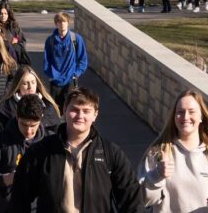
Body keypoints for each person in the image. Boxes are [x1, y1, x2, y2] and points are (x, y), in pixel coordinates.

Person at [8, 87, 143, 213]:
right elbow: (19, 198)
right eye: (74, 109)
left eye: (86, 111)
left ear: (95, 115)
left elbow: (132, 199)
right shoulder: (41, 152)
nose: (80, 115)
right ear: (64, 110)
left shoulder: (111, 153)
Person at [139, 91, 208, 213]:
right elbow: (141, 200)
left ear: (201, 117)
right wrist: (156, 175)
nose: (185, 117)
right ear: (174, 117)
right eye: (180, 112)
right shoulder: (158, 153)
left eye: (191, 112)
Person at [0, 94, 47, 213]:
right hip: (6, 207)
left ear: (41, 118)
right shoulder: (0, 140)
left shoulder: (48, 142)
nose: (28, 131)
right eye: (24, 124)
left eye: (33, 126)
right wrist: (9, 178)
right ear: (17, 117)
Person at [0, 66, 63, 140]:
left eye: (33, 82)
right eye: (25, 83)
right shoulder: (5, 108)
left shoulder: (48, 106)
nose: (30, 87)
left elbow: (57, 135)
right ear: (18, 85)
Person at [42, 12, 88, 107]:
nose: (62, 24)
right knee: (54, 109)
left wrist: (76, 74)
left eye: (64, 21)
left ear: (68, 22)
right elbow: (46, 60)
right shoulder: (50, 41)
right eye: (59, 21)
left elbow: (83, 60)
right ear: (56, 23)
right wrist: (50, 74)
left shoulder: (76, 39)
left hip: (70, 80)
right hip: (55, 80)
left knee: (70, 108)